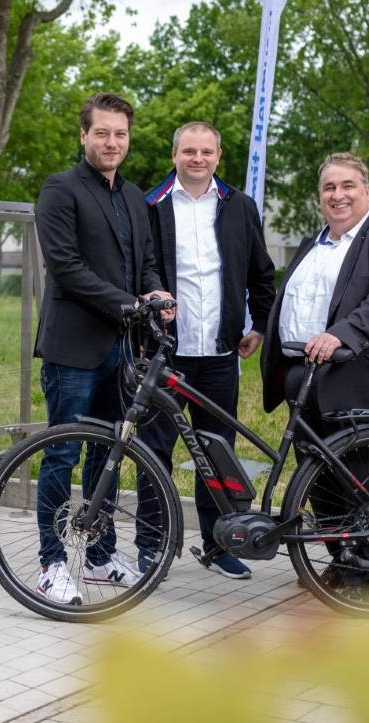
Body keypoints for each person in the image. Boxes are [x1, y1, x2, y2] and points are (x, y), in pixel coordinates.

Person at [259, 152, 369, 596]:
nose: (338, 195)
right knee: (322, 483)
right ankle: (340, 561)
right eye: (329, 188)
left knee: (365, 483)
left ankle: (363, 575)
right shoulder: (314, 242)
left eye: (348, 185)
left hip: (368, 379)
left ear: (367, 191)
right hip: (308, 379)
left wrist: (340, 334)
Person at [32, 93, 172, 605]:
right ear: (84, 135)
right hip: (74, 348)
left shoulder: (134, 196)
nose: (112, 142)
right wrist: (131, 303)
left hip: (123, 350)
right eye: (102, 133)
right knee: (62, 454)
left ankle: (97, 554)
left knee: (109, 453)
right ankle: (50, 562)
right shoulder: (60, 190)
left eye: (120, 134)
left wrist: (154, 292)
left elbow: (148, 261)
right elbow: (66, 267)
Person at [137, 122, 276, 580]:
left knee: (216, 453)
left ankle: (219, 545)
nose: (198, 159)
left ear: (219, 156)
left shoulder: (240, 207)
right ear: (174, 153)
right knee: (153, 451)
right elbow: (141, 271)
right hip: (165, 355)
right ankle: (150, 545)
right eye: (189, 151)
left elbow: (261, 274)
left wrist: (258, 327)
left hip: (220, 355)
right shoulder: (151, 206)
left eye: (207, 152)